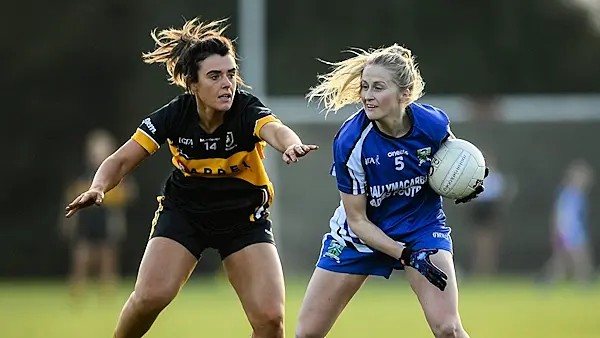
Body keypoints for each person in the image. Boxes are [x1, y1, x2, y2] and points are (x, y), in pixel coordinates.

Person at [65, 18, 317, 338]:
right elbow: (121, 159)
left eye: (230, 74)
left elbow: (275, 130)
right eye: (214, 76)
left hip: (243, 218)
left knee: (270, 320)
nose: (227, 84)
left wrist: (292, 144)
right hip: (185, 214)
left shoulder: (246, 109)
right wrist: (98, 187)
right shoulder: (175, 115)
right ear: (192, 84)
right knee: (151, 297)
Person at [295, 44, 487, 338]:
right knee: (307, 334)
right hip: (359, 237)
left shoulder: (433, 124)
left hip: (421, 230)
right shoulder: (351, 142)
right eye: (365, 87)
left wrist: (470, 179)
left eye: (378, 87)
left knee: (448, 328)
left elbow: (455, 161)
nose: (367, 96)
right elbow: (357, 221)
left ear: (404, 94)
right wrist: (405, 255)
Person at [61, 129, 137, 300]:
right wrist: (68, 223)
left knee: (108, 258)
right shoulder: (82, 175)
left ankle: (107, 292)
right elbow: (70, 197)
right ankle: (77, 291)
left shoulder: (117, 175)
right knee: (82, 257)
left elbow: (130, 194)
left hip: (107, 220)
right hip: (86, 220)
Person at [539, 159, 595, 286]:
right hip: (569, 231)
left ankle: (549, 280)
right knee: (575, 258)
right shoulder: (567, 194)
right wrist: (560, 231)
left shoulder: (579, 195)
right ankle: (583, 280)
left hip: (576, 230)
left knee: (565, 260)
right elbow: (560, 214)